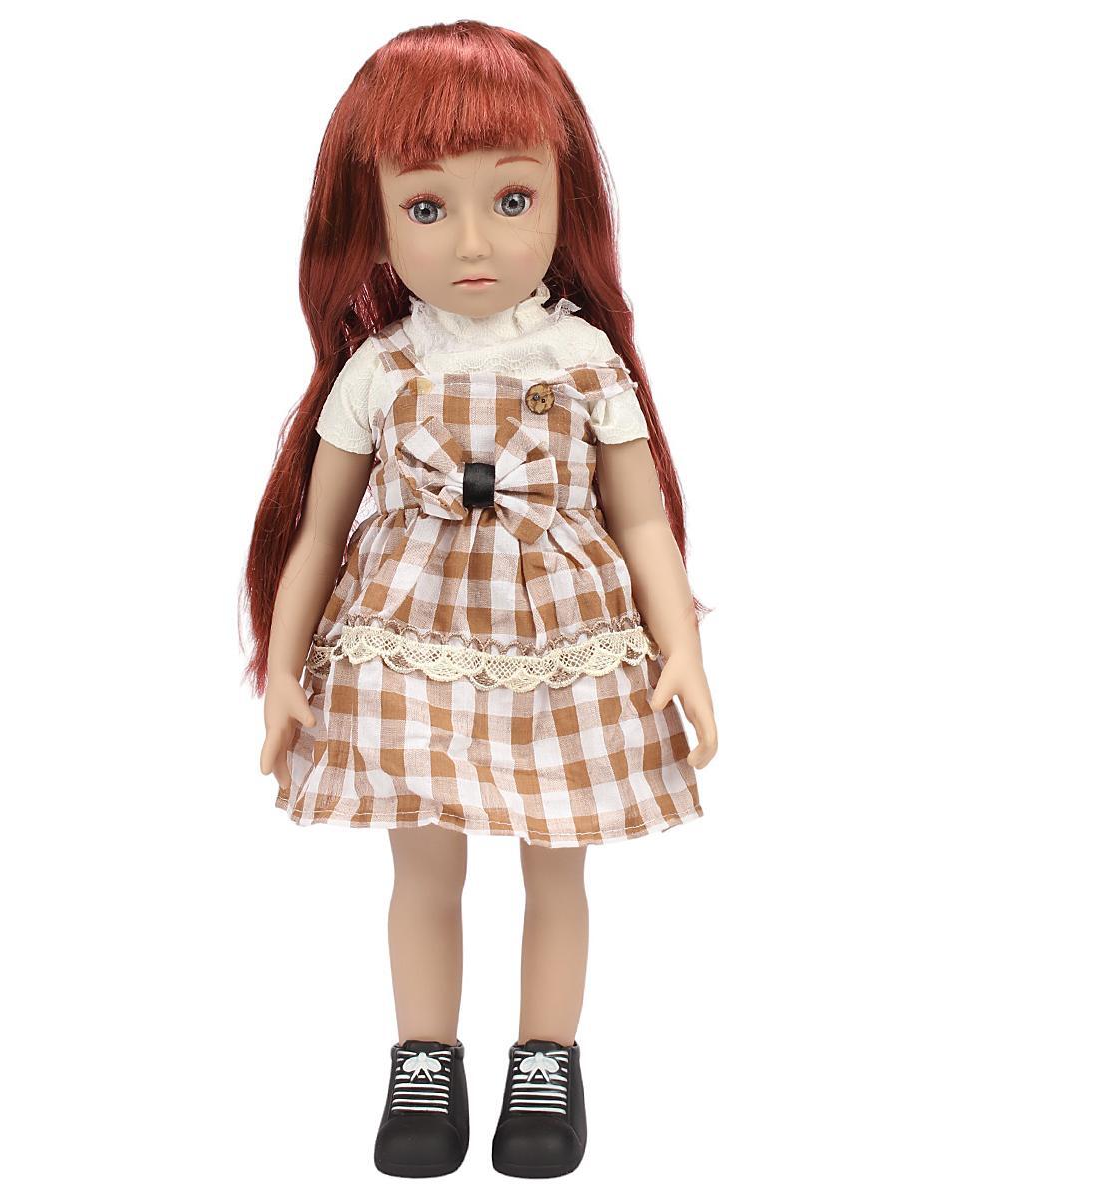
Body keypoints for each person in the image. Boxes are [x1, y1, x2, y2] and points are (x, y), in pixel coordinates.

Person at [241, 19, 719, 1179]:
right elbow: (320, 530)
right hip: (411, 645)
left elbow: (640, 518)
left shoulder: (584, 361)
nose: (471, 241)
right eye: (426, 206)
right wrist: (284, 670)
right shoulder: (381, 369)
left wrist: (684, 648)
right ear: (373, 217)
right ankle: (425, 1059)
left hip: (562, 642)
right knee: (425, 868)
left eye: (511, 200)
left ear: (563, 201)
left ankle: (545, 1060)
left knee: (558, 859)